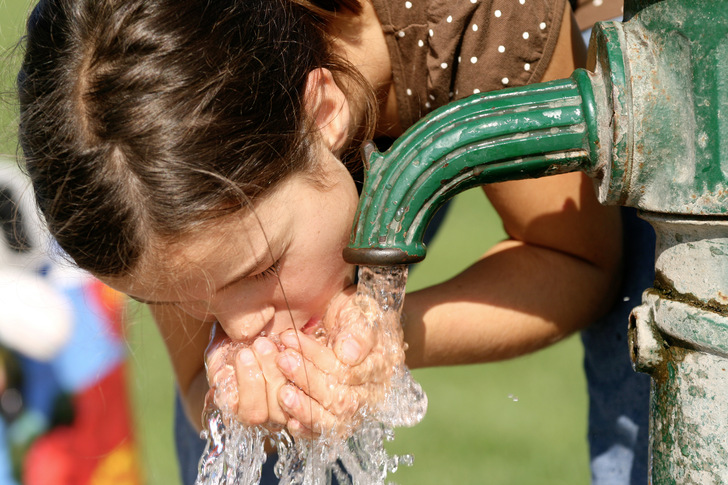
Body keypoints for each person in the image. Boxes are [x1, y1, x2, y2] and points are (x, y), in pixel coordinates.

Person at [15, 0, 648, 483]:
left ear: (324, 115)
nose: (241, 332)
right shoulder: (146, 157)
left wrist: (386, 336)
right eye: (190, 302)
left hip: (561, 45)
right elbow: (196, 395)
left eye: (259, 270)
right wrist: (248, 413)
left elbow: (579, 258)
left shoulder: (479, 17)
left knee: (657, 367)